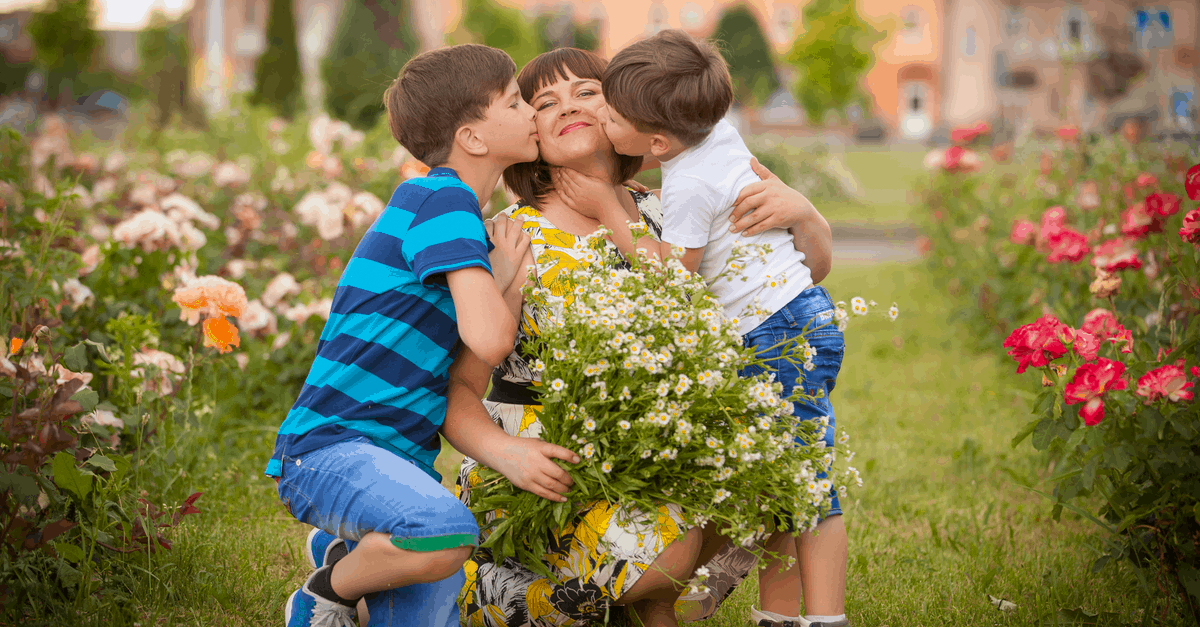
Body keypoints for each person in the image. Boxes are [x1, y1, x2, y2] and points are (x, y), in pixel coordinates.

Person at [447, 47, 834, 627]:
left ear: (632, 113)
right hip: (549, 473)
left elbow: (786, 284)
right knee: (669, 546)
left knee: (771, 468)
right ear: (529, 130)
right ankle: (511, 593)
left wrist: (807, 216)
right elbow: (459, 387)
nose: (568, 106)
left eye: (587, 91)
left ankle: (652, 606)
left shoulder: (672, 212)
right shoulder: (511, 237)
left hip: (656, 455)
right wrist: (510, 454)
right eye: (544, 101)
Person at [268, 44, 581, 627]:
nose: (534, 114)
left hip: (402, 459)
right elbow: (489, 340)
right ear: (475, 139)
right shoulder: (442, 201)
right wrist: (504, 283)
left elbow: (472, 349)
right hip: (331, 447)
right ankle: (329, 587)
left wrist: (503, 283)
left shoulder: (456, 217)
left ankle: (354, 553)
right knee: (446, 537)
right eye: (516, 102)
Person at [598, 29, 849, 627]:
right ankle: (780, 616)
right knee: (778, 482)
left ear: (655, 141)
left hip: (773, 333)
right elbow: (707, 200)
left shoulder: (687, 185)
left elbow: (678, 274)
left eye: (610, 117)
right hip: (800, 314)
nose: (602, 123)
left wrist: (617, 215)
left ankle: (828, 618)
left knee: (807, 489)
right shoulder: (718, 137)